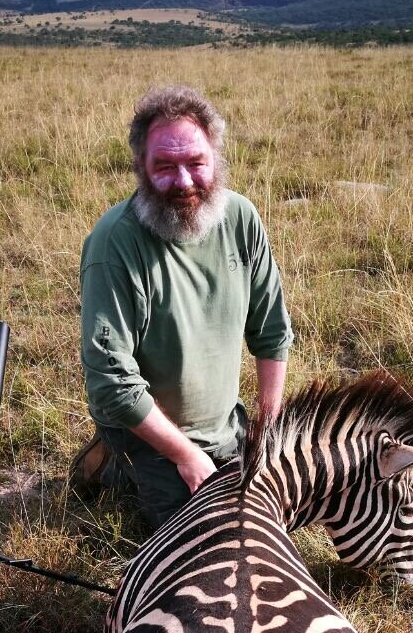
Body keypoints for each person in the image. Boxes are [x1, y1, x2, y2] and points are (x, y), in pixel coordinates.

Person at [71, 85, 293, 529]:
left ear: (216, 159)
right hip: (154, 439)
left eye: (196, 163)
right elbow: (111, 382)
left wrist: (266, 433)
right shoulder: (115, 242)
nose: (185, 181)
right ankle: (114, 460)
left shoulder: (241, 218)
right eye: (165, 167)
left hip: (228, 426)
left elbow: (271, 332)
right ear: (140, 167)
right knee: (208, 538)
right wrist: (186, 455)